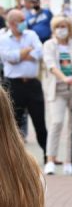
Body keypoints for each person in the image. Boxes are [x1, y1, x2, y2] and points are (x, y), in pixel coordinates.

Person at [0, 10, 47, 164]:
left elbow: (40, 52)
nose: (24, 23)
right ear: (12, 23)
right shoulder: (3, 39)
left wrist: (19, 55)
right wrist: (27, 51)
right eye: (21, 20)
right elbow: (9, 57)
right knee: (14, 123)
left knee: (40, 122)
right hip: (14, 85)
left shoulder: (31, 34)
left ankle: (48, 156)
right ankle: (15, 159)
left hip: (33, 84)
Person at [43, 16, 72, 176]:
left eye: (64, 26)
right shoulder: (49, 45)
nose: (61, 29)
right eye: (58, 26)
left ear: (70, 29)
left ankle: (70, 161)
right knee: (57, 122)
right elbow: (51, 65)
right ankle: (50, 160)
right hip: (57, 89)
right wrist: (64, 78)